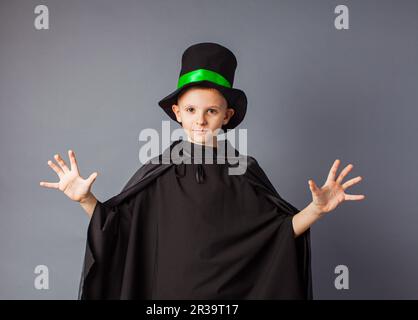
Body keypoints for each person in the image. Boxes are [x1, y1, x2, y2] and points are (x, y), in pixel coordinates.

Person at [40, 42, 365, 300]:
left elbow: (279, 234)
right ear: (177, 113)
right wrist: (85, 199)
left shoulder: (243, 170)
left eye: (212, 110)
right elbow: (116, 228)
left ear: (227, 115)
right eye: (192, 110)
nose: (200, 119)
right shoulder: (158, 171)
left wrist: (316, 210)